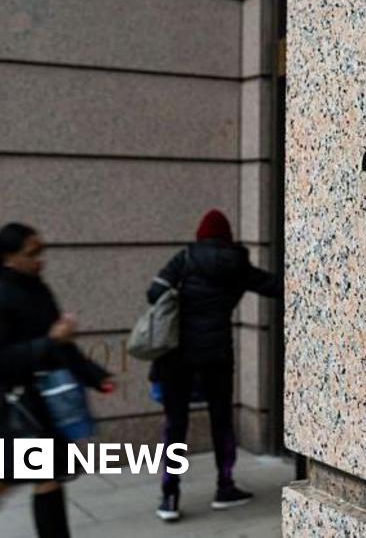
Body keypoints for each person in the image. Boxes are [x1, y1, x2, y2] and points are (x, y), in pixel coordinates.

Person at [0, 223, 113, 538]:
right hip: (2, 411)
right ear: (8, 257)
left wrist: (95, 376)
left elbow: (60, 345)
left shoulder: (36, 289)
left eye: (41, 252)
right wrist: (51, 341)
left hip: (32, 403)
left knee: (47, 478)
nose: (40, 259)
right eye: (32, 253)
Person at [148, 209, 281, 521]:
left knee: (175, 426)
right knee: (221, 422)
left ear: (200, 235)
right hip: (217, 356)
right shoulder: (237, 264)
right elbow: (273, 286)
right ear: (227, 237)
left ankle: (170, 496)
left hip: (177, 356)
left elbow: (154, 293)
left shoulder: (184, 259)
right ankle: (225, 487)